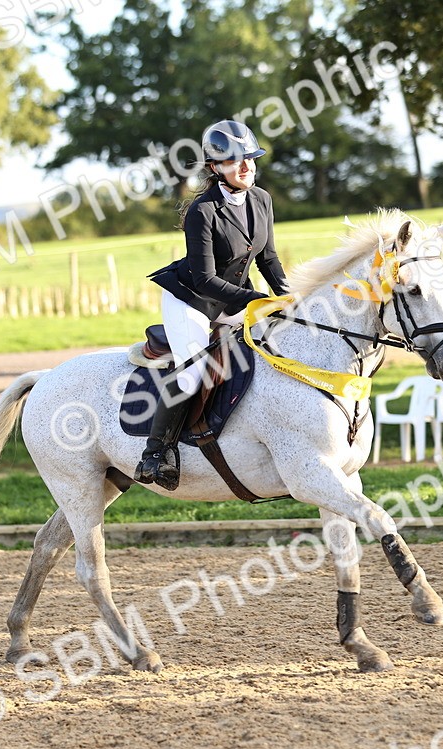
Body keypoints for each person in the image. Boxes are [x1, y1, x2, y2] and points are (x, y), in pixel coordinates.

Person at [133, 119, 290, 489]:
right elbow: (204, 280)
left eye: (250, 158)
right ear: (215, 167)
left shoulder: (262, 199)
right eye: (235, 160)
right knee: (192, 374)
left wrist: (288, 297)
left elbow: (268, 259)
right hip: (192, 299)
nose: (246, 166)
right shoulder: (202, 211)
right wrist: (258, 299)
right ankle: (156, 453)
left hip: (233, 296)